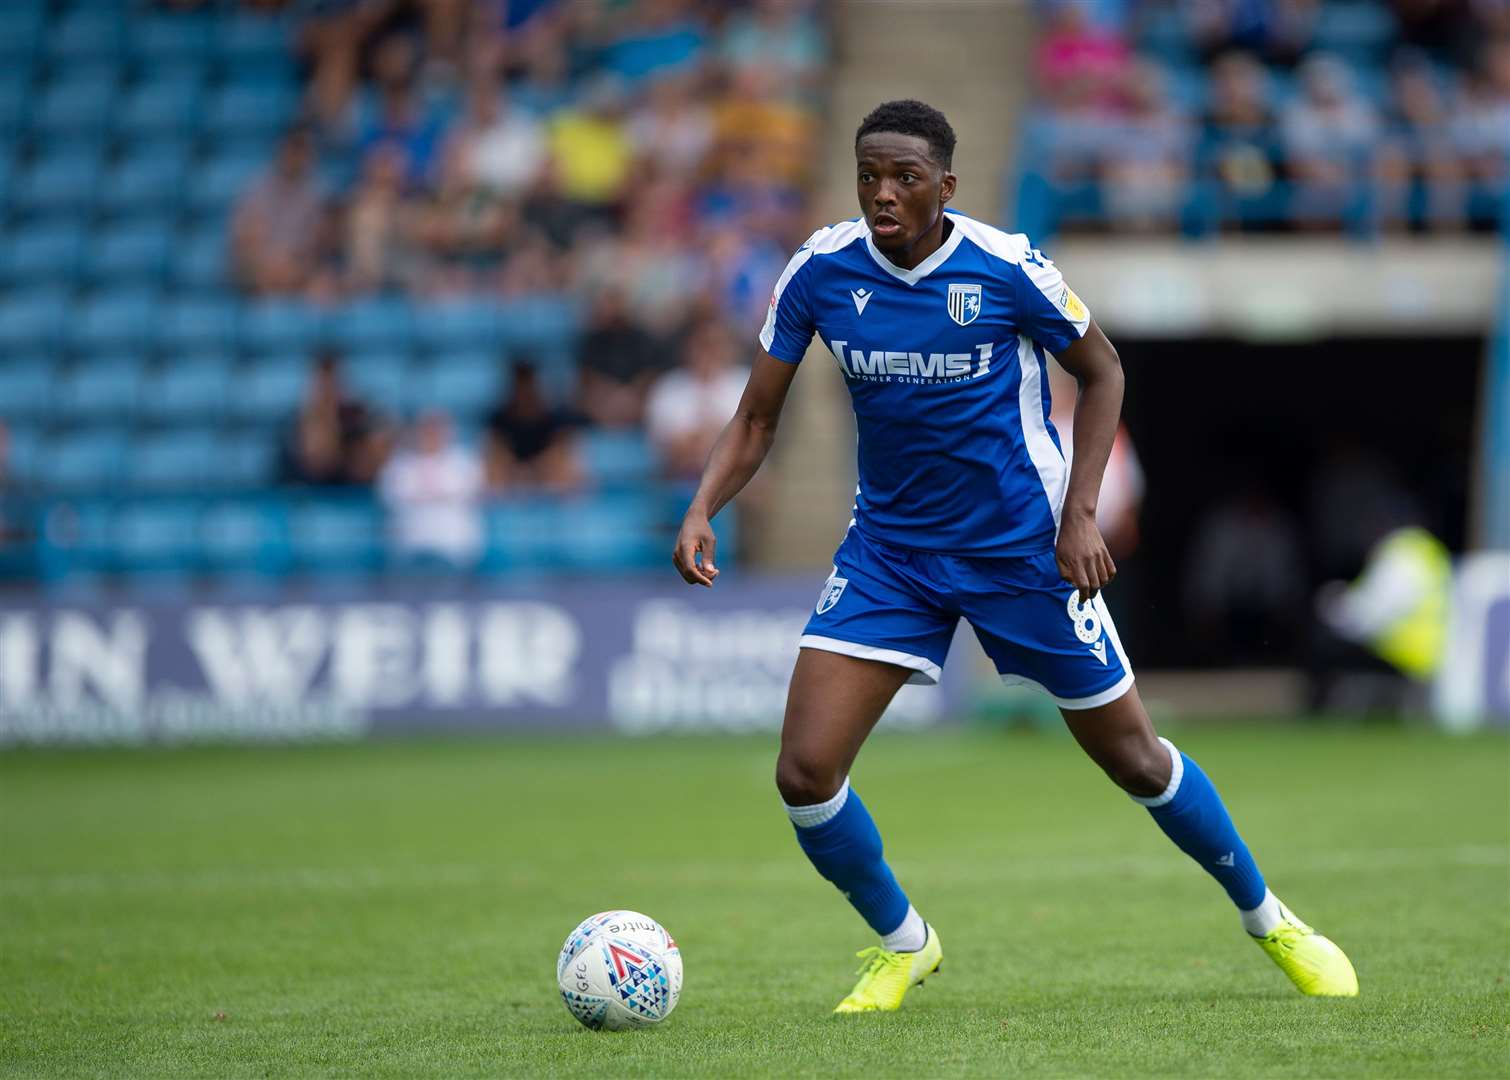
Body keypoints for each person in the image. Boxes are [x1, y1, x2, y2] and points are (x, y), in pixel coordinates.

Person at [671, 99, 1358, 1014]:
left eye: (904, 178)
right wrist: (703, 505)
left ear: (945, 187)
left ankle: (1271, 920)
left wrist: (1080, 517)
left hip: (1022, 551)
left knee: (1137, 761)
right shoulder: (820, 271)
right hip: (892, 553)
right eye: (869, 175)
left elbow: (1104, 370)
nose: (882, 194)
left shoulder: (1005, 266)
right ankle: (903, 943)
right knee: (803, 773)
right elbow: (758, 416)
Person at [379, 410, 485, 569]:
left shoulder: (463, 461)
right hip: (410, 539)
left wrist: (426, 495)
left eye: (437, 429)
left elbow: (472, 492)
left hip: (454, 542)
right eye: (427, 429)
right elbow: (389, 496)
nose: (432, 434)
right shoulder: (401, 463)